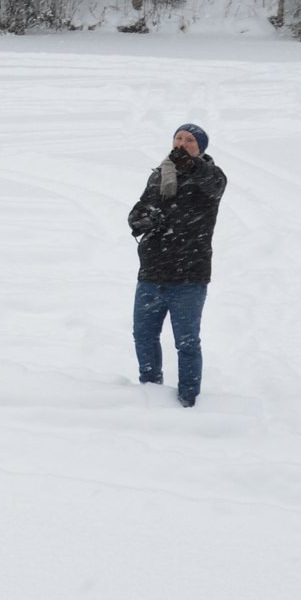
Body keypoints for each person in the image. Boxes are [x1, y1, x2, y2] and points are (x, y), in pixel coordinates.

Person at [126, 123, 226, 407]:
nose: (182, 143)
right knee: (143, 336)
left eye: (190, 140)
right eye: (178, 138)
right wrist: (139, 220)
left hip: (189, 276)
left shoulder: (213, 177)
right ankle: (150, 393)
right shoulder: (159, 175)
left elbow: (210, 183)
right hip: (152, 271)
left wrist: (193, 167)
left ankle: (188, 400)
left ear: (201, 147)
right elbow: (140, 208)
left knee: (187, 343)